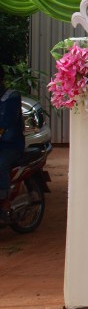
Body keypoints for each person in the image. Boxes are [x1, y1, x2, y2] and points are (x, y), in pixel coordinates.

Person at [0, 68, 26, 219]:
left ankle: (4, 201)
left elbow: (7, 122)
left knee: (1, 163)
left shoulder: (12, 97)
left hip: (10, 145)